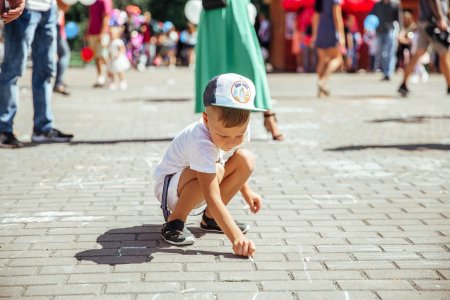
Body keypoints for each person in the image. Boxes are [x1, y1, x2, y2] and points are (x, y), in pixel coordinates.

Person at [154, 73, 262, 256]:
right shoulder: (201, 142)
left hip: (198, 180)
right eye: (223, 135)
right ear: (206, 120)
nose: (231, 141)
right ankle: (175, 222)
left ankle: (211, 220)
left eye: (239, 135)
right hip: (170, 188)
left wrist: (247, 192)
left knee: (245, 158)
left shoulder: (239, 127)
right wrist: (236, 237)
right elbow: (212, 196)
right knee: (217, 170)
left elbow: (230, 157)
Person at [195, 0, 284, 141]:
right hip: (214, 9)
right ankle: (208, 125)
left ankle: (268, 114)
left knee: (252, 63)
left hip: (238, 8)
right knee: (213, 64)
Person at [0, 0, 73, 148]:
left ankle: (43, 128)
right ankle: (3, 129)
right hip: (25, 7)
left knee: (46, 70)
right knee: (13, 69)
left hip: (49, 8)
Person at [399, 0, 450, 96]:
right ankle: (449, 86)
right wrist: (441, 18)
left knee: (418, 53)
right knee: (445, 53)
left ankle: (403, 84)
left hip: (423, 21)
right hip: (433, 23)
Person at [312, 0, 345, 97]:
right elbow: (337, 17)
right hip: (331, 31)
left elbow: (315, 17)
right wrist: (341, 36)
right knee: (338, 59)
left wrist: (314, 35)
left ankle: (320, 87)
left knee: (322, 60)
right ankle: (323, 80)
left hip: (320, 31)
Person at [370, 0, 401, 81]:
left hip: (390, 31)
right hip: (379, 31)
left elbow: (399, 19)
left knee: (389, 52)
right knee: (381, 53)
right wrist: (369, 26)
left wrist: (401, 31)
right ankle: (385, 72)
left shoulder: (395, 4)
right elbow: (371, 17)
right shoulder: (377, 5)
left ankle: (388, 73)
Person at [87, 0, 112, 87]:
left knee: (103, 56)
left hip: (102, 33)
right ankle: (100, 78)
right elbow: (91, 17)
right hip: (92, 33)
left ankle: (110, 77)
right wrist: (87, 31)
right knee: (96, 57)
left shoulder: (104, 1)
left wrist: (102, 33)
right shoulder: (92, 2)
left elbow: (106, 17)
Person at [53, 0, 71, 96]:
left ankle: (58, 82)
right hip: (53, 23)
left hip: (56, 24)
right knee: (64, 53)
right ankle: (58, 82)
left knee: (61, 53)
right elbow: (64, 6)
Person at [107, 23, 129, 90]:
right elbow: (109, 51)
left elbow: (122, 49)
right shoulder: (110, 42)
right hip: (112, 59)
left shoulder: (118, 41)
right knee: (112, 72)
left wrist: (118, 54)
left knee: (120, 71)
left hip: (118, 59)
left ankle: (122, 81)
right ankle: (113, 83)